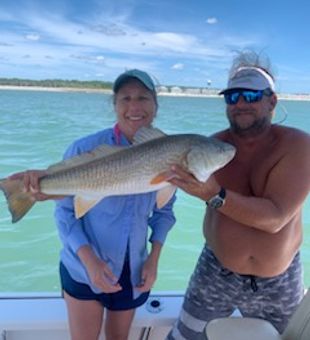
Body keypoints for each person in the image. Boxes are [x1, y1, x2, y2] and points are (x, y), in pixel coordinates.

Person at [11, 69, 176, 340]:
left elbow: (164, 212)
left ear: (156, 104)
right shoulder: (84, 148)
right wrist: (90, 262)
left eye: (143, 98)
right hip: (81, 265)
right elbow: (65, 214)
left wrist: (154, 260)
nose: (134, 106)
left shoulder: (169, 150)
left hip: (133, 269)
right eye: (125, 98)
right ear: (114, 105)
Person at [166, 52, 310, 339]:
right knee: (184, 337)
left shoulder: (298, 146)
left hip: (279, 281)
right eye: (232, 97)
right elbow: (160, 175)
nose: (240, 103)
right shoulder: (211, 146)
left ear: (272, 100)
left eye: (250, 95)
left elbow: (275, 218)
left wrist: (213, 194)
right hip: (215, 271)